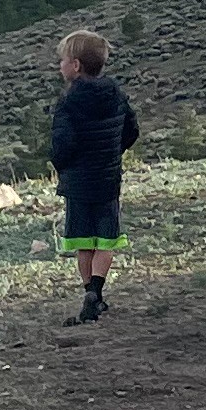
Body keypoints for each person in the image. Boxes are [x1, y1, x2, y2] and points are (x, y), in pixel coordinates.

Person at [48, 29, 141, 325]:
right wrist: (113, 153)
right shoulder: (115, 93)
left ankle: (90, 293)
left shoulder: (68, 101)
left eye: (62, 60)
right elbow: (132, 130)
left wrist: (61, 165)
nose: (60, 66)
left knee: (83, 240)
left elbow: (63, 144)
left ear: (75, 65)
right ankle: (97, 292)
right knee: (106, 239)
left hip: (78, 181)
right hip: (108, 177)